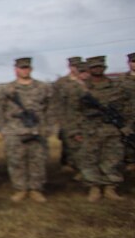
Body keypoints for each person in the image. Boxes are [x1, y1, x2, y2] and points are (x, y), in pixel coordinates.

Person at [0, 57, 51, 203]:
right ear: (16, 69)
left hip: (37, 131)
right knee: (16, 161)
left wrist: (47, 127)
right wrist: (2, 129)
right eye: (21, 68)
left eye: (26, 68)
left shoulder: (42, 88)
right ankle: (21, 189)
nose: (24, 70)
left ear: (30, 69)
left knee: (37, 161)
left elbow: (50, 109)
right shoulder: (7, 89)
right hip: (14, 131)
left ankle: (35, 189)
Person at [72, 56, 129, 201]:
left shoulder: (116, 87)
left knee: (113, 158)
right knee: (89, 159)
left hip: (112, 129)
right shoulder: (81, 89)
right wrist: (76, 131)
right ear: (89, 69)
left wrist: (126, 126)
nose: (97, 69)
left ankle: (110, 187)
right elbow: (74, 111)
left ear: (105, 67)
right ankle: (94, 188)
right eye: (94, 67)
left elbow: (126, 109)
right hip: (90, 130)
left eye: (100, 66)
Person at [51, 56, 84, 172]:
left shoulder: (86, 81)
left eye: (79, 66)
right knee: (68, 144)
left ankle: (83, 168)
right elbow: (55, 101)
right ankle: (68, 164)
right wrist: (59, 119)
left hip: (86, 120)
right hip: (68, 119)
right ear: (70, 67)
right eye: (74, 66)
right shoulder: (61, 83)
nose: (77, 69)